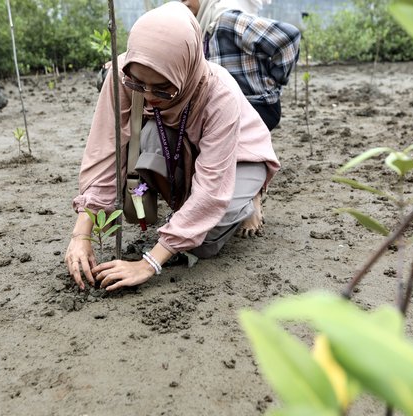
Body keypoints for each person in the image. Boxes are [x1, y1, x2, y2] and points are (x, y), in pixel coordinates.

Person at [65, 2, 280, 292]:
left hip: (241, 155)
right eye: (139, 85)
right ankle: (185, 215)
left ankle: (249, 197)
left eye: (164, 89)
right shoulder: (124, 74)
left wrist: (149, 263)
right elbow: (104, 151)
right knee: (151, 141)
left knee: (205, 240)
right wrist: (82, 235)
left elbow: (211, 190)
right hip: (182, 142)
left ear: (186, 70)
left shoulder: (219, 93)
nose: (150, 96)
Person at [182, 0, 301, 131]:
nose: (183, 2)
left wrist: (272, 82)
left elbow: (289, 37)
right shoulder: (207, 25)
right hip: (231, 107)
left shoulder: (227, 19)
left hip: (253, 105)